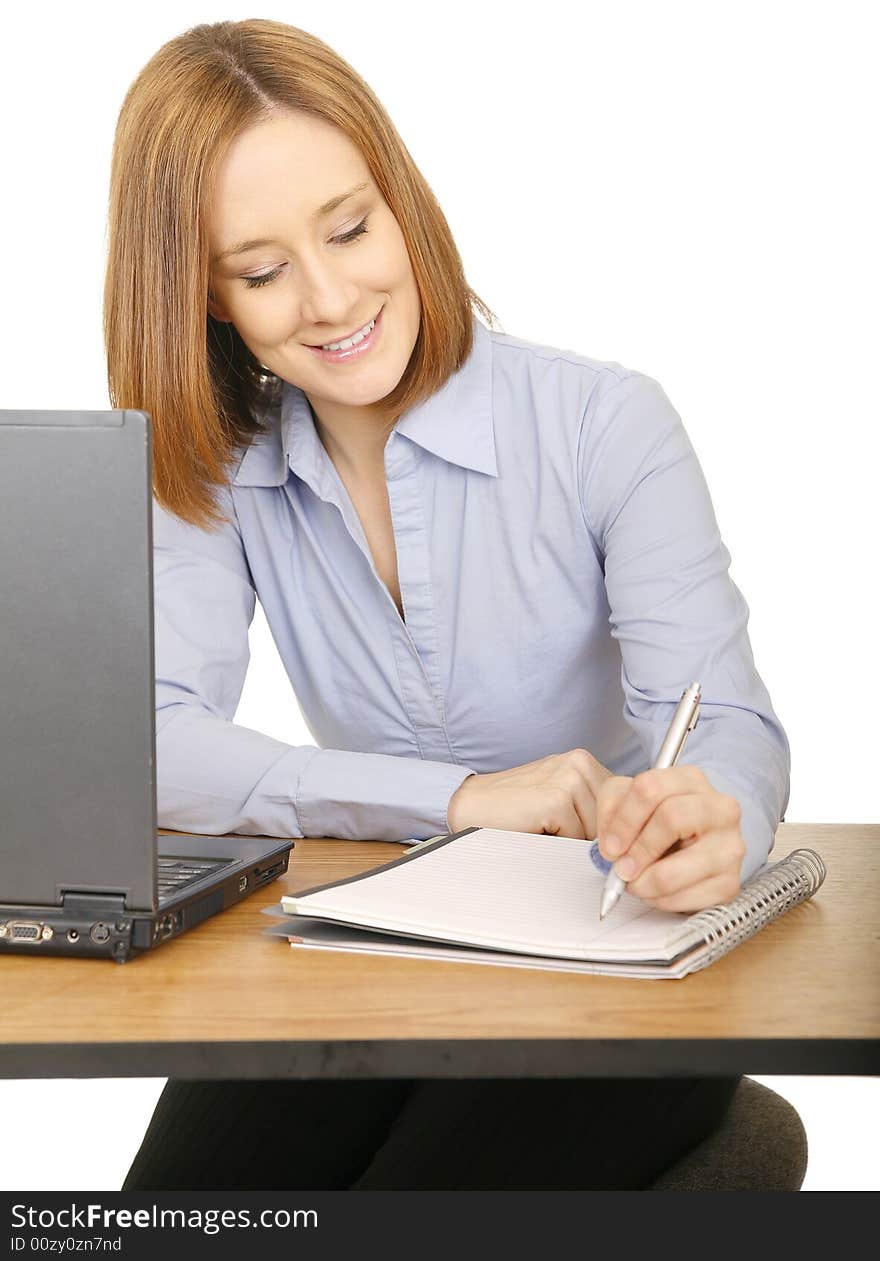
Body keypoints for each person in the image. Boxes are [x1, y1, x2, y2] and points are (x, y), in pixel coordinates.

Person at [107, 19, 790, 1190]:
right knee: (157, 1221)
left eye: (351, 228)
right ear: (205, 297)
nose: (328, 300)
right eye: (263, 272)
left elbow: (725, 722)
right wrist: (460, 800)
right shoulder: (208, 467)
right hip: (363, 937)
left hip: (610, 944)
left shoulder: (602, 422)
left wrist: (709, 813)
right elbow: (152, 750)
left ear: (402, 203)